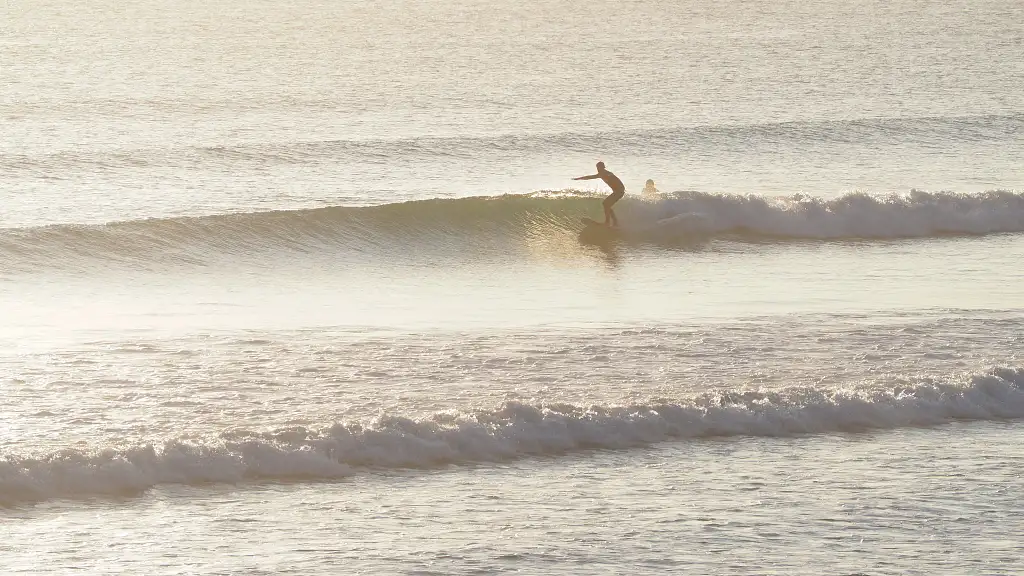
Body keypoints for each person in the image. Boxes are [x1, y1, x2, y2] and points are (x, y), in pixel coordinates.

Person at [572, 162, 625, 227]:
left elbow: (613, 178)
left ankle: (608, 222)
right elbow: (590, 177)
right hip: (618, 191)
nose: (598, 169)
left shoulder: (606, 173)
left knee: (606, 204)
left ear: (602, 167)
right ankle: (614, 222)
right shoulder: (602, 174)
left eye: (599, 168)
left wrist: (610, 177)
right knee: (607, 205)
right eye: (597, 168)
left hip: (619, 191)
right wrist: (579, 178)